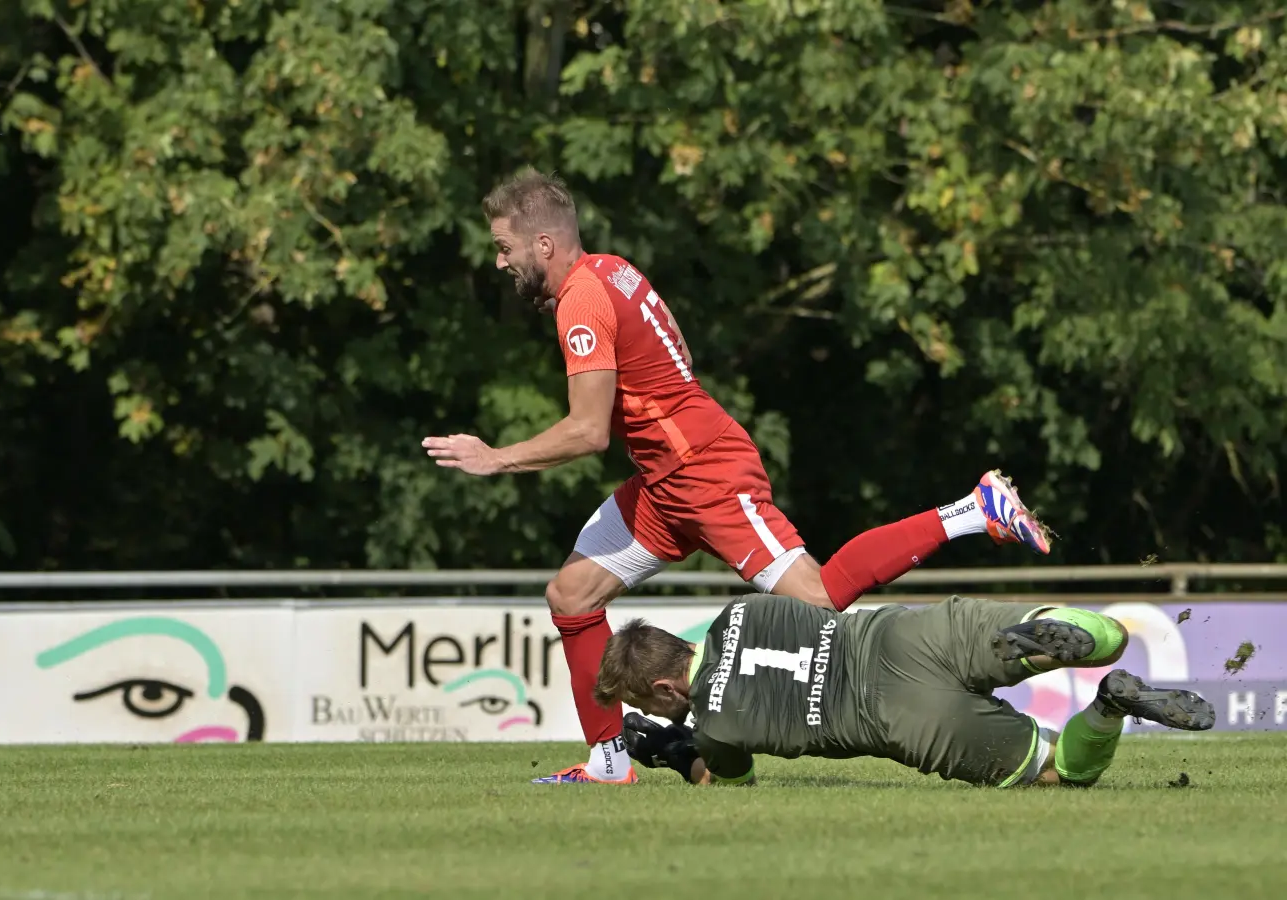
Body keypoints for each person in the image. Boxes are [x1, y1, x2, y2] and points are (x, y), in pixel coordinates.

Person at [423, 168, 1052, 784]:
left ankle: (975, 509)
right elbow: (680, 352)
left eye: (504, 247)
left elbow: (588, 431)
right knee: (571, 597)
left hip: (706, 473)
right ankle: (608, 765)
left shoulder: (582, 300)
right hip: (665, 485)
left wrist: (496, 457)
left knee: (819, 600)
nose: (500, 262)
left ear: (543, 244)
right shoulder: (613, 269)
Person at [597, 595, 1215, 788]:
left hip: (902, 715)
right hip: (904, 636)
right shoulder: (742, 609)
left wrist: (673, 751)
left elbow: (729, 781)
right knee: (1099, 635)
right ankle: (1069, 636)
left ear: (664, 687)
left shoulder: (717, 727)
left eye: (647, 703)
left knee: (1061, 771)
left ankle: (1108, 706)